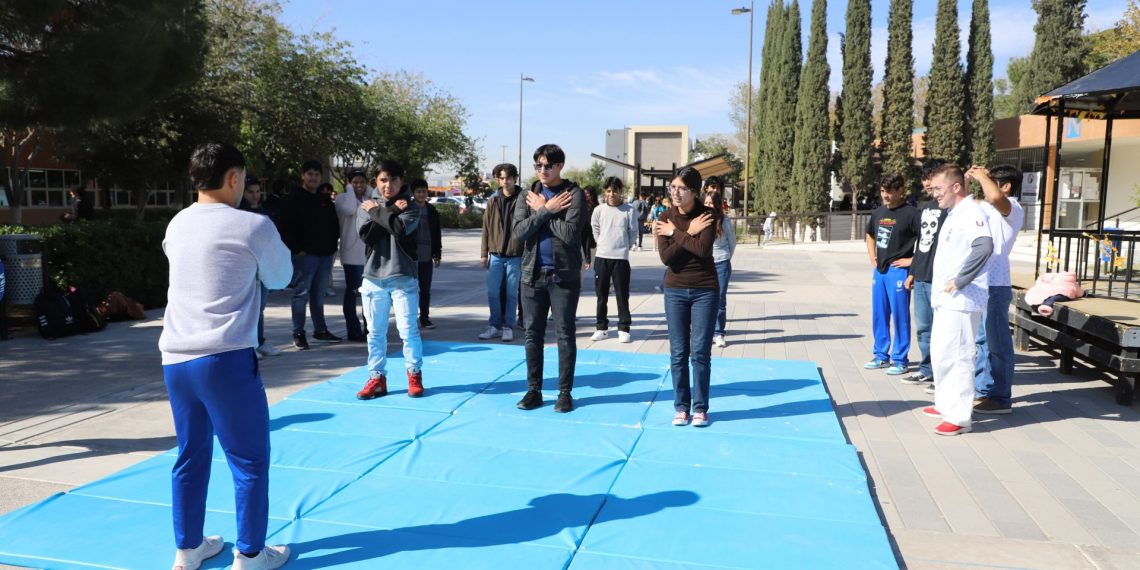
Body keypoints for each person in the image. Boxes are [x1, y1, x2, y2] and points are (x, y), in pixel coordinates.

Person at [160, 142, 292, 570]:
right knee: (249, 458)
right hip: (226, 357)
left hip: (176, 357)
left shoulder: (177, 223)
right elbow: (282, 275)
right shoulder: (253, 225)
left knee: (190, 454)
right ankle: (250, 554)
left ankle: (188, 548)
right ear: (234, 178)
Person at [513, 144, 586, 413]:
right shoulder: (528, 195)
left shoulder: (573, 194)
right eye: (538, 165)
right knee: (533, 334)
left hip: (563, 275)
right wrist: (546, 209)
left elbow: (570, 235)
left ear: (560, 167)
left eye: (548, 165)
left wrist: (545, 210)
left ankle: (564, 392)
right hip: (532, 274)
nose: (543, 170)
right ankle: (534, 390)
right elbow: (519, 232)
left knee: (565, 334)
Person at [923, 163, 993, 436]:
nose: (934, 194)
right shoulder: (953, 213)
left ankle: (960, 416)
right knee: (941, 354)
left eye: (938, 189)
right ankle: (945, 404)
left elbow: (984, 245)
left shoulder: (971, 211)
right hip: (946, 299)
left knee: (959, 356)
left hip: (963, 299)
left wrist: (962, 279)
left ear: (956, 187)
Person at [354, 160, 425, 400]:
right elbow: (368, 235)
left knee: (408, 331)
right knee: (374, 333)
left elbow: (399, 230)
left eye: (394, 180)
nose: (388, 185)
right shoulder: (366, 205)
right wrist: (390, 210)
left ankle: (414, 374)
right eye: (383, 180)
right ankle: (376, 378)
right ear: (376, 181)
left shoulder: (413, 206)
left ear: (401, 181)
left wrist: (379, 213)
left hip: (403, 277)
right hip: (373, 279)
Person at [656, 167, 718, 427]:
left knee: (700, 353)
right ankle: (681, 407)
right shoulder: (664, 216)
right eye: (673, 188)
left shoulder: (708, 215)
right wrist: (688, 232)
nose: (676, 193)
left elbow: (703, 250)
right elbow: (667, 258)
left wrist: (677, 234)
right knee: (678, 352)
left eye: (681, 188)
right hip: (675, 289)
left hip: (705, 289)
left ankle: (700, 408)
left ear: (694, 191)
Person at [968, 164, 1026, 415]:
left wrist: (981, 176)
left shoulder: (1012, 207)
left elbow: (993, 196)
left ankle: (1001, 397)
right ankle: (984, 391)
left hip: (996, 284)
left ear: (1006, 186)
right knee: (983, 341)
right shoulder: (988, 208)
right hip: (981, 283)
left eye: (991, 180)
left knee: (998, 342)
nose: (985, 184)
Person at [277, 160, 341, 349]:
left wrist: (331, 248)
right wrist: (297, 249)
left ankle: (320, 330)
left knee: (318, 295)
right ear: (303, 176)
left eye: (316, 174)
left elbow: (333, 225)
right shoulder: (293, 199)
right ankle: (298, 333)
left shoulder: (324, 200)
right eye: (310, 174)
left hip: (324, 255)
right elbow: (285, 227)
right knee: (300, 294)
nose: (313, 178)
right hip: (305, 256)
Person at [863, 172, 920, 376]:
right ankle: (880, 356)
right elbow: (869, 234)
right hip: (880, 272)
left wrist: (911, 262)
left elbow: (928, 243)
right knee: (879, 314)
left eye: (889, 192)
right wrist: (872, 257)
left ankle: (900, 359)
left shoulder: (912, 214)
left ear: (900, 191)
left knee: (900, 316)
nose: (885, 195)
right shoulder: (878, 213)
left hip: (899, 272)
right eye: (882, 191)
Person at [901, 159, 948, 388]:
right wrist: (912, 272)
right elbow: (922, 243)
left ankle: (942, 374)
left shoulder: (950, 208)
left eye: (931, 178)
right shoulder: (925, 208)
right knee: (923, 328)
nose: (927, 184)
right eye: (925, 179)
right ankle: (926, 369)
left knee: (942, 330)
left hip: (940, 280)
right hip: (920, 277)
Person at [590, 176, 639, 343]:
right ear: (605, 192)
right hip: (602, 257)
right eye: (609, 191)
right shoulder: (599, 210)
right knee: (601, 295)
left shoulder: (630, 210)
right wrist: (601, 243)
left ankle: (624, 328)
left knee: (622, 295)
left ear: (621, 192)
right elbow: (595, 228)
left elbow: (633, 233)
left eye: (615, 190)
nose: (612, 194)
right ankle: (601, 328)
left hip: (621, 259)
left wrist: (624, 245)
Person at [479, 163, 524, 342]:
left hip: (515, 254)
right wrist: (484, 253)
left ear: (515, 178)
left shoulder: (523, 198)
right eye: (502, 178)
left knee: (512, 293)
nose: (505, 181)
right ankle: (494, 325)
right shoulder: (493, 200)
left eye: (509, 178)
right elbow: (486, 228)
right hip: (495, 255)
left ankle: (508, 326)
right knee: (493, 292)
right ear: (498, 179)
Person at [239, 175, 282, 359]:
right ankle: (247, 346)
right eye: (250, 192)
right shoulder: (238, 214)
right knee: (246, 307)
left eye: (257, 192)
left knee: (259, 307)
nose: (255, 196)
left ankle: (259, 341)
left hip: (263, 267)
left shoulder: (267, 214)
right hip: (246, 267)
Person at [334, 170, 375, 342]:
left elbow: (379, 206)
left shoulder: (368, 199)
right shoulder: (342, 198)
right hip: (351, 253)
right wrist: (349, 189)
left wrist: (369, 192)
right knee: (352, 292)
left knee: (369, 294)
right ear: (349, 183)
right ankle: (353, 329)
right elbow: (350, 209)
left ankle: (369, 328)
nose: (359, 185)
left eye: (362, 182)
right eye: (355, 182)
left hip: (368, 252)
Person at [704, 190, 736, 348]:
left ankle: (719, 333)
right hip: (705, 264)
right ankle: (707, 332)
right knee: (705, 300)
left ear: (717, 205)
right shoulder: (700, 219)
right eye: (706, 203)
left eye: (711, 203)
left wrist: (726, 257)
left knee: (720, 299)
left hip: (721, 263)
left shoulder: (724, 221)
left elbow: (732, 242)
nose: (709, 206)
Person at [410, 178, 442, 329]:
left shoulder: (431, 210)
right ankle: (409, 319)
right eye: (418, 191)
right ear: (413, 193)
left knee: (425, 290)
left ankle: (425, 318)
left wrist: (437, 253)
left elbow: (437, 233)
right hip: (410, 256)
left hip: (427, 256)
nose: (421, 194)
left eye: (423, 191)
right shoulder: (408, 209)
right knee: (409, 290)